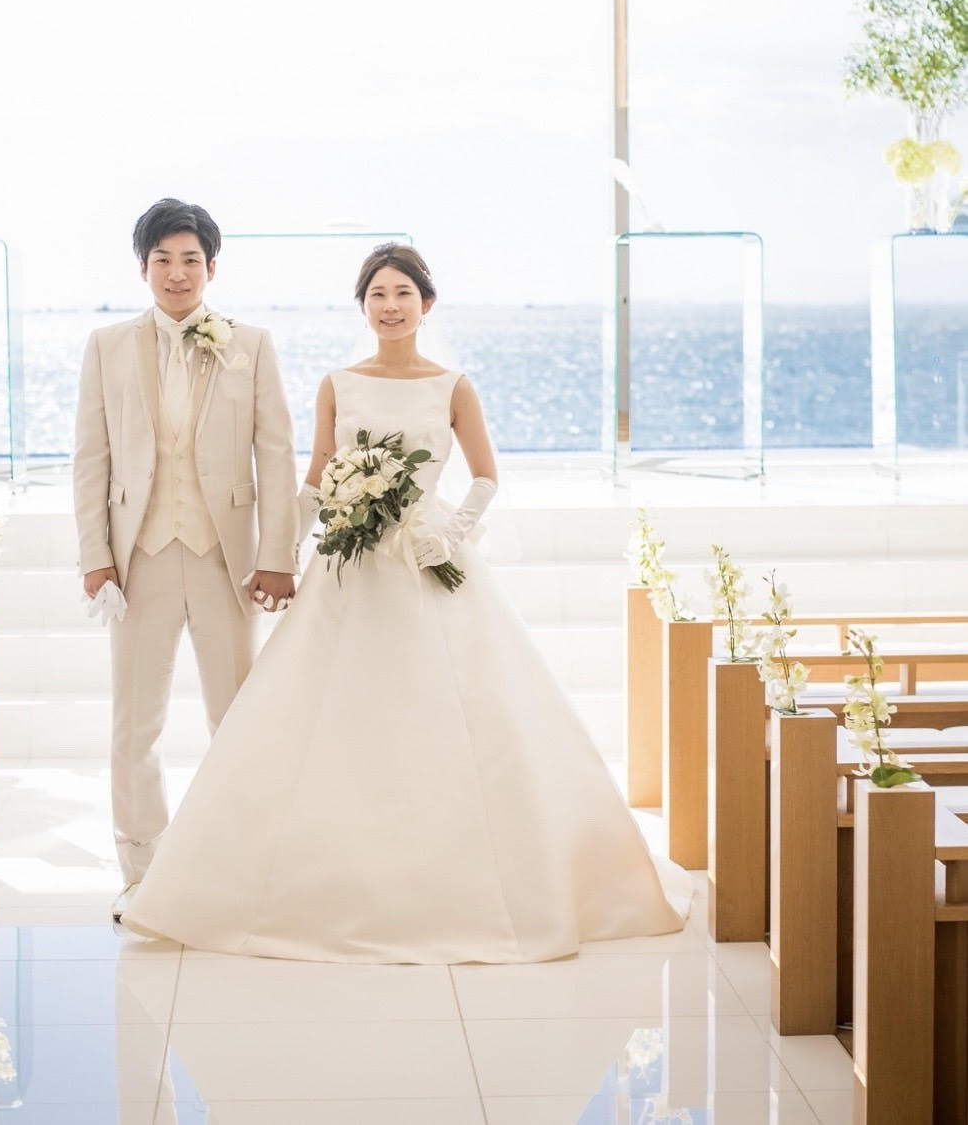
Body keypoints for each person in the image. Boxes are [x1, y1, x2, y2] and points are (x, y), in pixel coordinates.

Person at [122, 243, 692, 962]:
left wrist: (447, 534)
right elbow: (315, 478)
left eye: (401, 294)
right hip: (349, 566)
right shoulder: (337, 383)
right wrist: (281, 554)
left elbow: (485, 476)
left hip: (428, 560)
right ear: (362, 307)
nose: (389, 306)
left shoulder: (452, 386)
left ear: (426, 304)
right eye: (376, 295)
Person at [73, 198, 299, 921]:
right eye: (163, 259)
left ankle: (243, 866)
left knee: (237, 718)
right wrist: (95, 557)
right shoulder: (106, 347)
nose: (177, 273)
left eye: (191, 260)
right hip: (137, 558)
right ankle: (141, 872)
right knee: (134, 724)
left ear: (212, 267)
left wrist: (278, 554)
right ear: (142, 267)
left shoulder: (250, 344)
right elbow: (91, 459)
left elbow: (275, 454)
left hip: (224, 559)